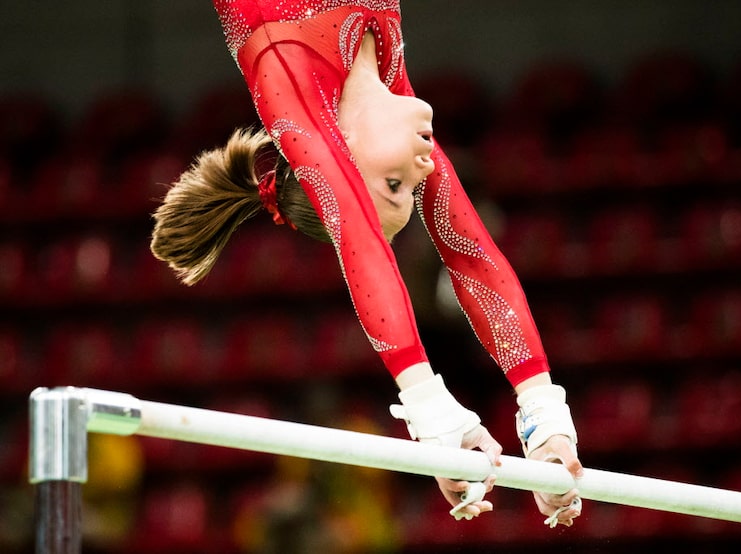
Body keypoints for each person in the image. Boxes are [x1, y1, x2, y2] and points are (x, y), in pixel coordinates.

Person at [151, 0, 583, 526]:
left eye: (394, 185)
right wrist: (545, 417)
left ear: (340, 156)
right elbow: (470, 253)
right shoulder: (388, 87)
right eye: (408, 189)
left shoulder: (291, 86)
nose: (424, 167)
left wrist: (427, 404)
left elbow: (360, 238)